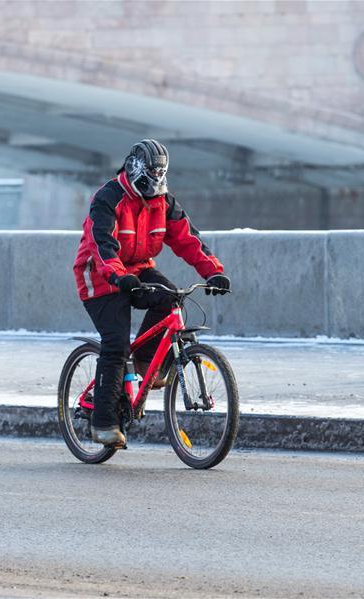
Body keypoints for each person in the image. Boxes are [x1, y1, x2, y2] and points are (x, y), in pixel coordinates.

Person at [73, 139, 230, 446]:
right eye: (150, 175)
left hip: (138, 270)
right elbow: (102, 245)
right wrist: (119, 277)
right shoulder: (108, 198)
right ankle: (103, 423)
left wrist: (213, 271)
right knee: (116, 344)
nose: (155, 183)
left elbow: (188, 240)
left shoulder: (164, 202)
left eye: (160, 175)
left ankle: (145, 369)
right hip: (100, 277)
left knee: (172, 297)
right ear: (135, 170)